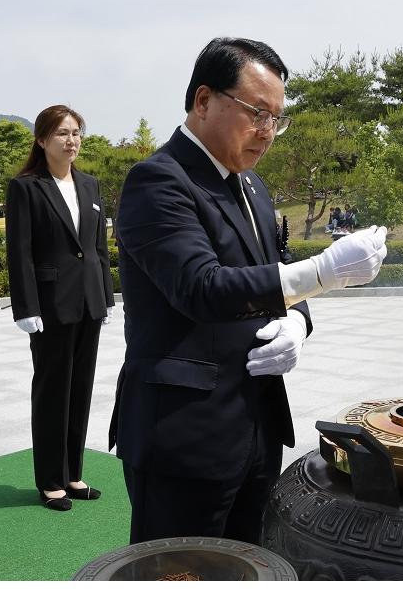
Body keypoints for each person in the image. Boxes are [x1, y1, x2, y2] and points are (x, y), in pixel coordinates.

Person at [108, 37, 388, 544]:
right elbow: (201, 286)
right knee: (180, 576)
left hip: (256, 424)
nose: (268, 132)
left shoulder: (251, 185)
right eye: (257, 112)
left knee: (248, 568)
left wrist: (298, 322)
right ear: (203, 101)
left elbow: (273, 277)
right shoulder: (158, 180)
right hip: (184, 435)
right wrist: (322, 273)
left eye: (277, 118)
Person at [7, 105, 114, 512]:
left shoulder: (89, 185)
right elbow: (20, 253)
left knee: (80, 390)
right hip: (50, 305)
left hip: (89, 302)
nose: (72, 141)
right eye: (62, 134)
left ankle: (73, 473)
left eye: (76, 133)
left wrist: (105, 295)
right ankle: (50, 480)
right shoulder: (26, 188)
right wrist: (26, 307)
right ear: (41, 140)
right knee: (52, 392)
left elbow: (98, 249)